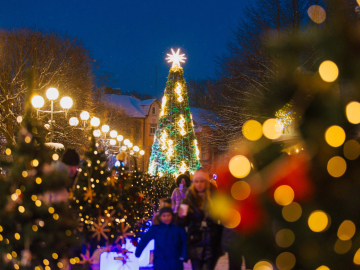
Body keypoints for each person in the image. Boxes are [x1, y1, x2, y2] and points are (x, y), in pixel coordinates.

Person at [176, 168, 223, 270]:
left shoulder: (214, 197)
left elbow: (221, 218)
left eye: (202, 181)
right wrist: (180, 217)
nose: (199, 184)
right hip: (195, 243)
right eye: (196, 181)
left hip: (211, 243)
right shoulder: (188, 199)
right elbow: (181, 223)